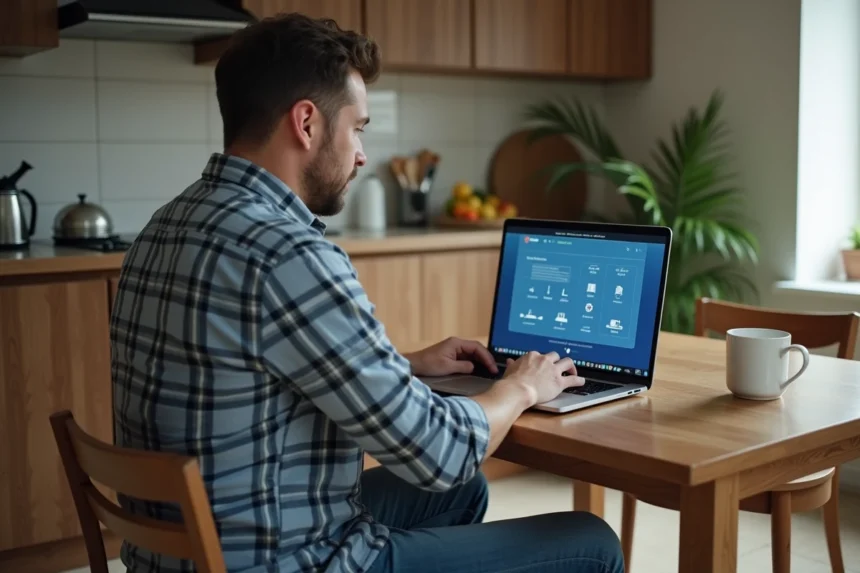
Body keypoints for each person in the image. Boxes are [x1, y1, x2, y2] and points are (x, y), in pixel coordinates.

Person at [110, 11, 624, 573]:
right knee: (589, 542)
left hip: (186, 549)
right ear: (306, 123)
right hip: (286, 560)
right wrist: (522, 388)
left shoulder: (165, 224)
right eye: (358, 128)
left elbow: (239, 376)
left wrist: (404, 365)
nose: (360, 154)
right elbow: (439, 453)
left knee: (463, 493)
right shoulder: (289, 252)